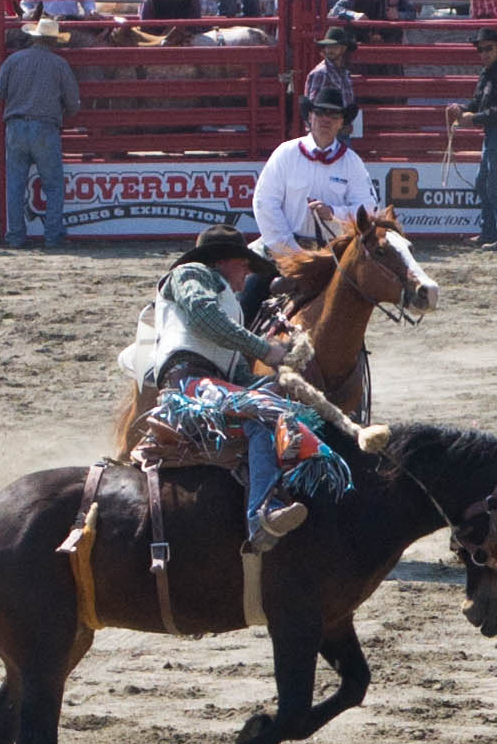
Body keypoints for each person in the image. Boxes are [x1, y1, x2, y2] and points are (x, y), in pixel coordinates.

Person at [134, 226, 350, 551]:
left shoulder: (227, 304)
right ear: (222, 261)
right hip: (187, 387)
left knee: (282, 401)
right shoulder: (191, 274)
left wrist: (282, 380)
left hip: (207, 387)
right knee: (265, 411)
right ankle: (263, 513)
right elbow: (203, 317)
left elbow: (239, 378)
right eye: (244, 263)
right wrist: (265, 350)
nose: (248, 272)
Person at [247, 94, 377, 321]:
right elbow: (264, 202)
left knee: (352, 317)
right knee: (247, 298)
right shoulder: (286, 154)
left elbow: (369, 209)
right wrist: (290, 252)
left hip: (331, 257)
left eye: (334, 115)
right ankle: (239, 353)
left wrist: (334, 213)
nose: (326, 119)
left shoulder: (352, 162)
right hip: (281, 251)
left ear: (342, 122)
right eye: (320, 113)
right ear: (310, 116)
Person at [0, 18, 81, 249]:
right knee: (52, 184)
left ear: (34, 37)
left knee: (15, 184)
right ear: (53, 40)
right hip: (45, 128)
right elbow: (73, 103)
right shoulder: (59, 64)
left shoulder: (14, 60)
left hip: (16, 126)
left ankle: (16, 236)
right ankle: (52, 236)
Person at [448, 29, 497, 250]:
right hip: (496, 131)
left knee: (495, 186)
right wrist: (462, 109)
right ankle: (489, 233)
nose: (484, 53)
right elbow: (478, 102)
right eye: (480, 49)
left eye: (488, 48)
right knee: (484, 183)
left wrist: (475, 118)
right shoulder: (487, 72)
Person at [303, 24, 361, 135]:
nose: (330, 50)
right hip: (326, 130)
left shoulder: (344, 73)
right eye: (328, 47)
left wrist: (346, 123)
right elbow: (313, 105)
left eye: (334, 47)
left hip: (340, 127)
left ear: (343, 49)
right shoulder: (321, 73)